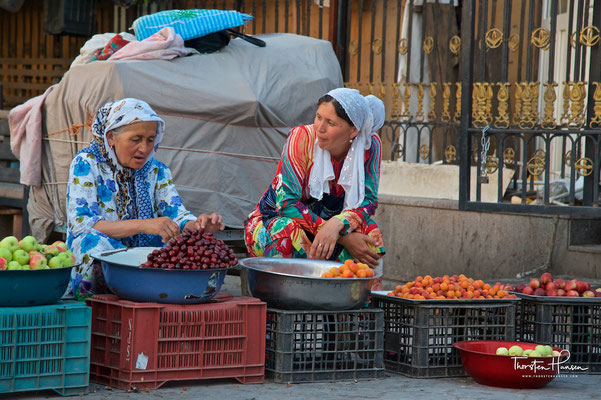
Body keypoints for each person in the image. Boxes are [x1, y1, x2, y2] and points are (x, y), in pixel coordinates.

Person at [66, 98, 224, 300]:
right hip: (107, 259)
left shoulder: (156, 170)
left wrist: (198, 225)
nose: (144, 148)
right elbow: (81, 224)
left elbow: (176, 213)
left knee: (183, 249)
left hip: (144, 259)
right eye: (136, 139)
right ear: (110, 137)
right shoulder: (87, 163)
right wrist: (143, 225)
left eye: (150, 140)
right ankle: (93, 306)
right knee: (90, 243)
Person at [244, 88, 385, 269]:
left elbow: (369, 201)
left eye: (331, 123)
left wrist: (338, 224)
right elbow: (286, 203)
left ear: (353, 131)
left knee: (370, 234)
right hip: (273, 221)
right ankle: (295, 293)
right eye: (318, 117)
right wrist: (342, 236)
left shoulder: (369, 145)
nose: (320, 128)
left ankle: (362, 295)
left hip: (332, 227)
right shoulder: (301, 137)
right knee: (287, 231)